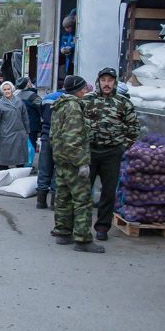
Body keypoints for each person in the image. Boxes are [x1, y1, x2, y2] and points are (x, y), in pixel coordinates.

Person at [83, 67, 140, 240]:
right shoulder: (86, 101)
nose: (106, 84)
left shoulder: (124, 103)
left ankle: (102, 228)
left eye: (110, 80)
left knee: (108, 193)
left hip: (112, 154)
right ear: (98, 82)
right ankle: (81, 227)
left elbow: (134, 129)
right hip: (90, 152)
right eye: (103, 80)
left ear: (115, 82)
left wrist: (123, 147)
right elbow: (76, 124)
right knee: (83, 192)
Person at [51, 75, 103, 253]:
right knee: (82, 201)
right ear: (78, 90)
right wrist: (81, 163)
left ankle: (63, 232)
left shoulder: (60, 104)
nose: (85, 91)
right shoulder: (73, 107)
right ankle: (82, 239)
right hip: (72, 162)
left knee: (63, 198)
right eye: (83, 88)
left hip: (61, 160)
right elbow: (72, 139)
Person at [0, 81, 30, 169]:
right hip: (6, 134)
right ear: (2, 91)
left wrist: (27, 131)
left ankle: (20, 179)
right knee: (5, 158)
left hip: (19, 133)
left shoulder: (19, 101)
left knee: (20, 158)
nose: (7, 91)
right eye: (5, 90)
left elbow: (25, 117)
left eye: (8, 89)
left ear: (12, 90)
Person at [36, 88, 64, 209]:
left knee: (44, 167)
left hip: (46, 134)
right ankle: (54, 201)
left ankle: (41, 201)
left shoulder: (47, 98)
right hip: (60, 137)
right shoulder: (68, 99)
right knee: (57, 168)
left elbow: (41, 114)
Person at [16, 77, 42, 150]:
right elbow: (41, 107)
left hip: (19, 125)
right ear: (27, 84)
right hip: (31, 126)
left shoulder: (16, 95)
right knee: (30, 147)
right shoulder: (33, 96)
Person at [59, 10, 76, 79]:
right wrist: (62, 49)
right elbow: (62, 45)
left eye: (68, 27)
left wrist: (71, 48)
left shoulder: (76, 34)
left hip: (74, 60)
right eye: (65, 28)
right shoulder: (65, 35)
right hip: (68, 61)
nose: (67, 29)